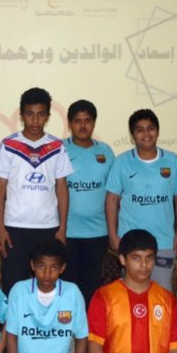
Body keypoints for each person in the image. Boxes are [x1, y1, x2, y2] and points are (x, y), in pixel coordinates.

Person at [0, 88, 72, 295]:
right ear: (21, 115)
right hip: (14, 227)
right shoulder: (8, 145)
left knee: (47, 286)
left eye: (40, 114)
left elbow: (62, 188)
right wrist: (0, 228)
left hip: (48, 227)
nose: (35, 120)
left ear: (47, 116)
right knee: (13, 286)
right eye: (30, 114)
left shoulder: (57, 146)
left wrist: (62, 228)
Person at [3, 238, 90, 353]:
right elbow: (11, 335)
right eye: (41, 266)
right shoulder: (19, 291)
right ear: (32, 265)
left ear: (63, 268)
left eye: (54, 267)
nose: (47, 274)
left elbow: (82, 338)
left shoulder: (72, 293)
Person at [105, 109, 177, 291]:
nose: (146, 134)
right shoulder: (121, 162)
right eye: (140, 130)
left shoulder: (172, 161)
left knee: (162, 293)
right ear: (132, 135)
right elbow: (112, 199)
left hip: (164, 241)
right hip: (130, 241)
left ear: (157, 131)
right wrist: (112, 235)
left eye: (150, 128)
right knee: (132, 293)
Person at [61, 99, 115, 305]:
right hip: (66, 232)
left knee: (91, 287)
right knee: (67, 288)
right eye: (77, 121)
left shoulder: (106, 152)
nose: (83, 126)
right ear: (70, 124)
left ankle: (88, 325)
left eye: (87, 121)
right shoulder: (59, 149)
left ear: (94, 123)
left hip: (97, 232)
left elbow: (114, 194)